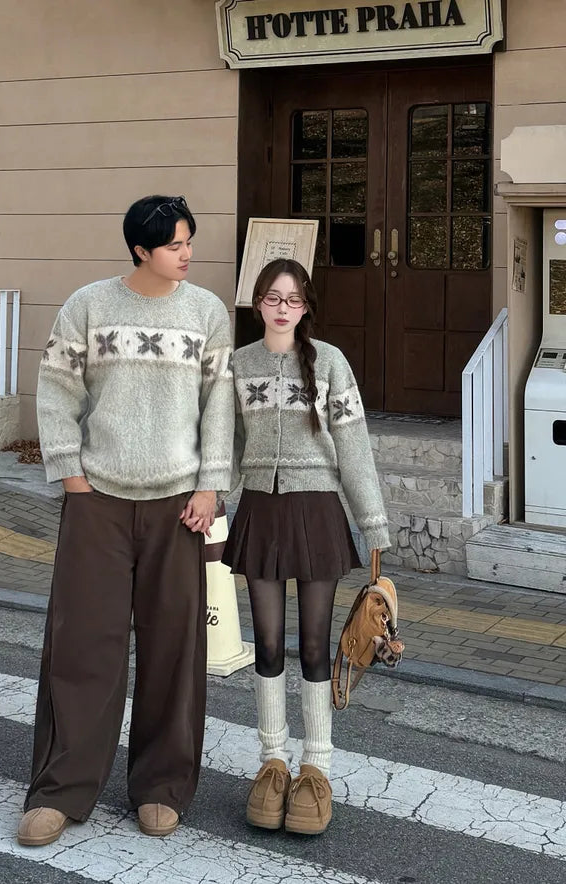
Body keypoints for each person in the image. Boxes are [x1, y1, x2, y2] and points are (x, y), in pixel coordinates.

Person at [18, 195, 234, 846]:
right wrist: (71, 477)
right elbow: (57, 390)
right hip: (98, 502)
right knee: (83, 646)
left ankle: (162, 787)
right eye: (174, 245)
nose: (187, 254)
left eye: (189, 241)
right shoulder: (87, 306)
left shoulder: (207, 312)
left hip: (179, 506)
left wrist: (211, 485)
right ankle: (60, 790)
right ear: (141, 250)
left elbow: (219, 402)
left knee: (174, 650)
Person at [222, 258, 390, 836]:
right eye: (272, 297)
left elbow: (354, 445)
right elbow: (227, 444)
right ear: (258, 303)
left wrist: (373, 523)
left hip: (318, 512)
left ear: (306, 306)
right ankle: (272, 764)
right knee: (267, 644)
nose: (282, 308)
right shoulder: (239, 365)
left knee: (315, 646)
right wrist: (209, 497)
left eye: (292, 299)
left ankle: (316, 769)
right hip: (260, 512)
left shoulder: (332, 363)